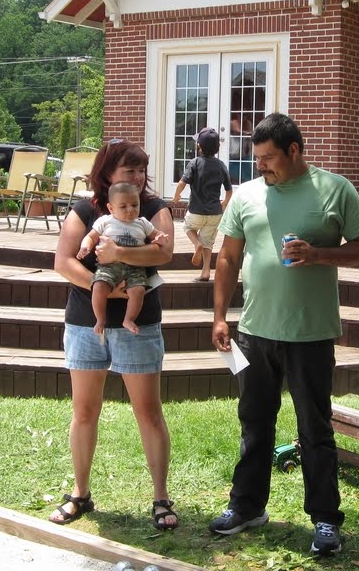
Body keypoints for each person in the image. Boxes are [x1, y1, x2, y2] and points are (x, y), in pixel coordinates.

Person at [210, 113, 359, 556]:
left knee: (315, 428)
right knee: (254, 422)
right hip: (255, 331)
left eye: (268, 158)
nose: (260, 165)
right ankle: (247, 506)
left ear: (295, 150)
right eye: (257, 158)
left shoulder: (334, 189)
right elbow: (227, 258)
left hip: (311, 333)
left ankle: (325, 519)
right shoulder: (246, 195)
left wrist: (318, 254)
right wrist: (220, 317)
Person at [51, 139, 179, 530]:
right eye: (129, 170)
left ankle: (161, 498)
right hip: (86, 322)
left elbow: (163, 253)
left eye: (141, 170)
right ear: (107, 173)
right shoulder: (85, 210)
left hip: (139, 323)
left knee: (148, 412)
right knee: (84, 412)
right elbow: (63, 261)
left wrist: (119, 255)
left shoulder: (153, 209)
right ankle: (80, 493)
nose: (138, 178)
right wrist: (103, 289)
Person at [77, 181, 170, 335]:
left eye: (134, 205)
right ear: (111, 208)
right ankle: (100, 319)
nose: (130, 210)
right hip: (109, 267)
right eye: (123, 206)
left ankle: (129, 319)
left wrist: (161, 238)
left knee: (138, 290)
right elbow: (91, 237)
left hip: (135, 267)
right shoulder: (105, 221)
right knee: (98, 287)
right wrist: (85, 247)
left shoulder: (142, 223)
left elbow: (157, 235)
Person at [172, 127, 232, 281]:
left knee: (188, 227)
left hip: (196, 212)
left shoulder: (194, 163)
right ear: (218, 147)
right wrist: (224, 203)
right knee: (208, 243)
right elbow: (229, 190)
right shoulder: (221, 166)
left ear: (199, 146)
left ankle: (196, 243)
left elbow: (182, 183)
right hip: (215, 213)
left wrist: (177, 195)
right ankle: (206, 271)